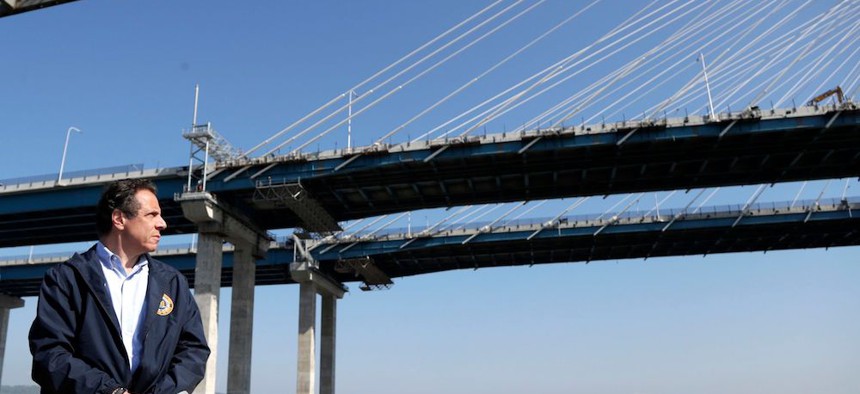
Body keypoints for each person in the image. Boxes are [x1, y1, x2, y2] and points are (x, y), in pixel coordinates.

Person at [29, 179, 210, 394]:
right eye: (152, 215)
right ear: (119, 218)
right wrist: (109, 391)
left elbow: (194, 350)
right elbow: (49, 354)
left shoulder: (172, 283)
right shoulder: (67, 278)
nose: (162, 223)